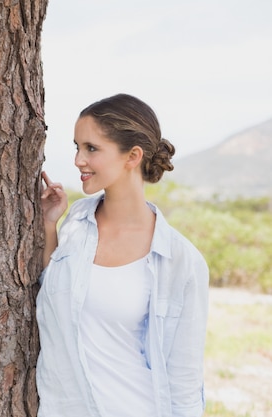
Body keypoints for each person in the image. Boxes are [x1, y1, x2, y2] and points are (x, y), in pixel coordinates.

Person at [37, 93, 209, 417]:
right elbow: (52, 290)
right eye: (77, 147)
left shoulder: (180, 262)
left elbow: (185, 383)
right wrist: (50, 224)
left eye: (91, 148)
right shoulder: (76, 221)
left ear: (132, 156)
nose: (78, 160)